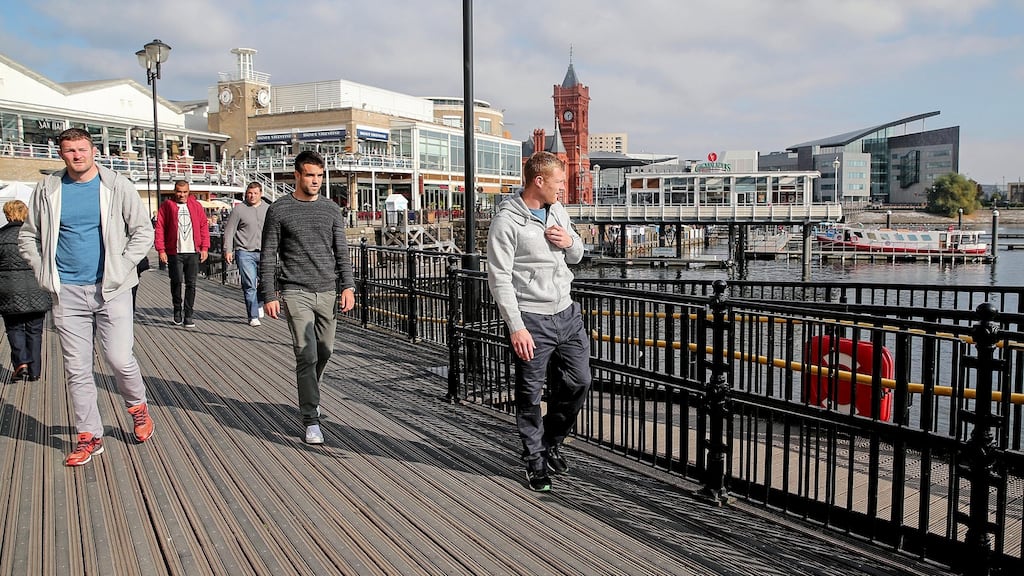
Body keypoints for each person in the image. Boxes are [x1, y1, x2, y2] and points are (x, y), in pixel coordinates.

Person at [18, 127, 154, 466]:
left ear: (93, 151)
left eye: (82, 149)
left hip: (112, 288)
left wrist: (121, 268)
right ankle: (89, 437)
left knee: (119, 359)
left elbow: (143, 232)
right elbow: (28, 236)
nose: (77, 156)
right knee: (76, 369)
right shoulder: (48, 189)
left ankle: (138, 408)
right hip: (67, 292)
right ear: (61, 154)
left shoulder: (115, 185)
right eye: (69, 151)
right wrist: (44, 273)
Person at [486, 151, 592, 492]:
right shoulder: (507, 222)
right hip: (532, 319)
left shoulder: (557, 209)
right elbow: (499, 277)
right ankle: (534, 461)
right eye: (559, 182)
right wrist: (516, 326)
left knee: (579, 382)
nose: (564, 187)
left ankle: (550, 441)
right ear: (539, 181)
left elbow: (577, 255)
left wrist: (570, 241)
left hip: (567, 313)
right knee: (530, 394)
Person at [260, 151, 354, 445]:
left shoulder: (331, 210)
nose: (316, 181)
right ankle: (311, 418)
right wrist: (269, 293)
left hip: (327, 290)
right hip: (294, 290)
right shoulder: (279, 210)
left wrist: (348, 286)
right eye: (310, 175)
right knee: (307, 353)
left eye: (320, 176)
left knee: (324, 351)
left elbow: (341, 251)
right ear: (297, 176)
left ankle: (310, 389)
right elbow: (268, 254)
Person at [0, 200, 51, 381]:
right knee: (35, 330)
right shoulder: (36, 236)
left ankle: (21, 362)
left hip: (8, 290)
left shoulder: (1, 236)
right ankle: (35, 371)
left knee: (14, 328)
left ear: (7, 214)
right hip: (37, 289)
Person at [154, 180, 209, 327]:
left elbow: (204, 226)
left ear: (189, 191)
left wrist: (204, 248)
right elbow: (160, 228)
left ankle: (189, 314)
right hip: (174, 252)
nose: (182, 195)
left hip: (192, 251)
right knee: (176, 281)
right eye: (179, 191)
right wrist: (161, 250)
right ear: (174, 191)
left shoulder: (196, 206)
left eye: (185, 192)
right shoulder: (167, 206)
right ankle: (177, 310)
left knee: (191, 284)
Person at [223, 182, 269, 326]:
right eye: (250, 193)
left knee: (266, 281)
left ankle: (259, 302)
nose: (252, 196)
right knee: (249, 284)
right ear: (246, 193)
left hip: (265, 251)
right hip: (244, 251)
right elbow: (229, 230)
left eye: (255, 193)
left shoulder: (268, 209)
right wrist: (228, 249)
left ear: (260, 193)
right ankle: (252, 315)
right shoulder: (239, 210)